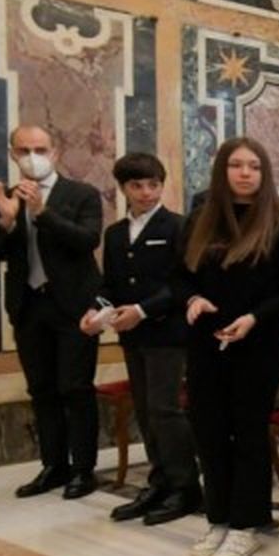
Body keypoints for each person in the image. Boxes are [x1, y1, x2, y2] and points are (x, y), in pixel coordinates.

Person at [176, 136, 279, 556]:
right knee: (209, 432)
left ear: (264, 173)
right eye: (237, 165)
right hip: (206, 344)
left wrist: (254, 318)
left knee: (248, 434)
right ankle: (218, 518)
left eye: (254, 166)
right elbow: (179, 278)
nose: (246, 173)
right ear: (222, 171)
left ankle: (245, 525)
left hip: (257, 344)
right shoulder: (200, 219)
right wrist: (192, 299)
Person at [0, 125, 104, 499]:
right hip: (29, 306)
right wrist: (5, 221)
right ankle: (54, 466)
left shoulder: (81, 194)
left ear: (55, 151)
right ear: (13, 153)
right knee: (43, 390)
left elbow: (87, 240)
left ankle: (83, 469)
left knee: (76, 388)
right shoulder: (5, 198)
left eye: (40, 148)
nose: (32, 155)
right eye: (24, 149)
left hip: (73, 307)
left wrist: (42, 212)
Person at [88, 153, 201, 525]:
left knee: (165, 409)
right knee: (146, 409)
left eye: (153, 184)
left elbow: (182, 283)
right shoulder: (116, 234)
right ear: (123, 189)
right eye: (137, 186)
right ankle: (160, 480)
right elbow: (110, 286)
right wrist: (98, 311)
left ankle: (185, 487)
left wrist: (143, 310)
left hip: (167, 333)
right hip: (132, 337)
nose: (147, 193)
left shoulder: (177, 227)